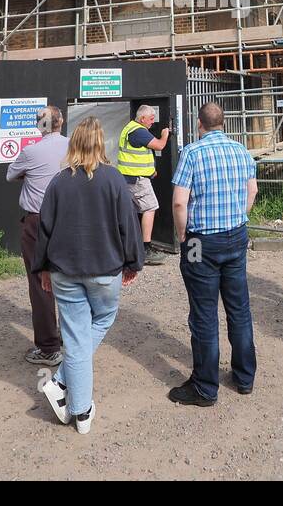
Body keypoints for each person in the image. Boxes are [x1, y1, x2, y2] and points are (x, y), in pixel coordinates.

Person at [31, 117, 143, 434]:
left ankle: (64, 386)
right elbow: (129, 224)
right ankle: (81, 411)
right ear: (101, 143)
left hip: (64, 272)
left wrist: (41, 268)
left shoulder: (58, 182)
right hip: (105, 270)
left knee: (76, 337)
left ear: (74, 143)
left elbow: (45, 229)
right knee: (102, 320)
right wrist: (133, 261)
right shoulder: (114, 179)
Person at [168, 102, 258, 407]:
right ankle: (245, 377)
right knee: (239, 308)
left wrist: (183, 234)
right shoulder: (241, 150)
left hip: (199, 242)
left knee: (203, 312)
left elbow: (180, 202)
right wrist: (238, 216)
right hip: (235, 235)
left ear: (199, 124)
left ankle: (206, 387)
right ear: (223, 122)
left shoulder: (192, 153)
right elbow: (253, 191)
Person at [6, 105, 69, 367]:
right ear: (61, 121)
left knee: (40, 283)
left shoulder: (30, 152)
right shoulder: (72, 146)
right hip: (68, 220)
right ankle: (70, 336)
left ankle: (48, 347)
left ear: (37, 125)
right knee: (70, 278)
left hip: (38, 221)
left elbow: (10, 175)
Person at [117, 104, 172, 265]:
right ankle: (146, 248)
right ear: (142, 118)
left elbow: (140, 154)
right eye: (151, 119)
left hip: (130, 178)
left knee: (132, 212)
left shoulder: (132, 128)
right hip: (136, 180)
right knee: (150, 207)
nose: (153, 122)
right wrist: (165, 134)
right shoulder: (138, 131)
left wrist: (150, 170)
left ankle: (130, 247)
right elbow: (160, 145)